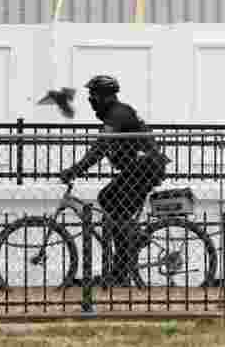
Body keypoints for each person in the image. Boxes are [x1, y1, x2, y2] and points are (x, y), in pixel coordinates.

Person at [50, 75, 168, 287]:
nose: (90, 100)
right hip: (141, 168)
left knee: (112, 204)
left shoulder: (117, 114)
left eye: (93, 95)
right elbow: (104, 146)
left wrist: (75, 170)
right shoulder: (114, 115)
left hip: (146, 167)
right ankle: (120, 270)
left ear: (103, 96)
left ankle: (133, 241)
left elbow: (101, 147)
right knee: (112, 205)